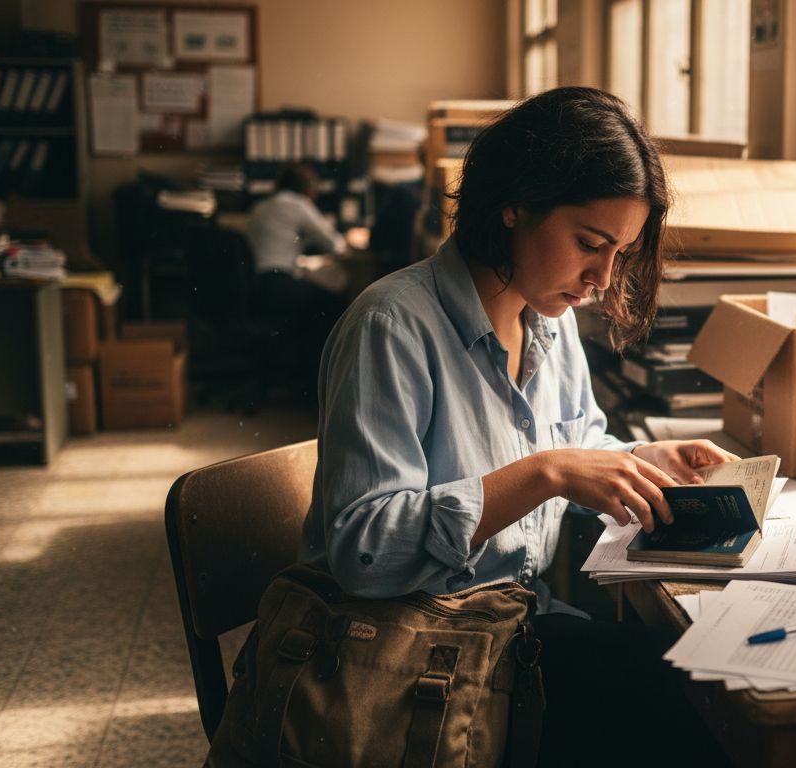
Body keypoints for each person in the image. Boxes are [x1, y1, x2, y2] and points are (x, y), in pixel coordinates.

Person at [302, 87, 735, 767]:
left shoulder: (548, 322)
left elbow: (578, 444)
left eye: (620, 253)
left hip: (514, 629)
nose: (601, 277)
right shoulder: (391, 327)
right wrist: (546, 475)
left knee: (709, 683)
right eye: (590, 244)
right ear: (515, 202)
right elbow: (362, 551)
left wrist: (645, 458)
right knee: (687, 712)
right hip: (409, 656)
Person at [245, 162, 350, 382]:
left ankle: (301, 369)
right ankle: (316, 376)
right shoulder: (298, 205)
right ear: (308, 189)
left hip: (253, 286)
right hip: (278, 284)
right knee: (337, 302)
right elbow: (335, 244)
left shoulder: (260, 207)